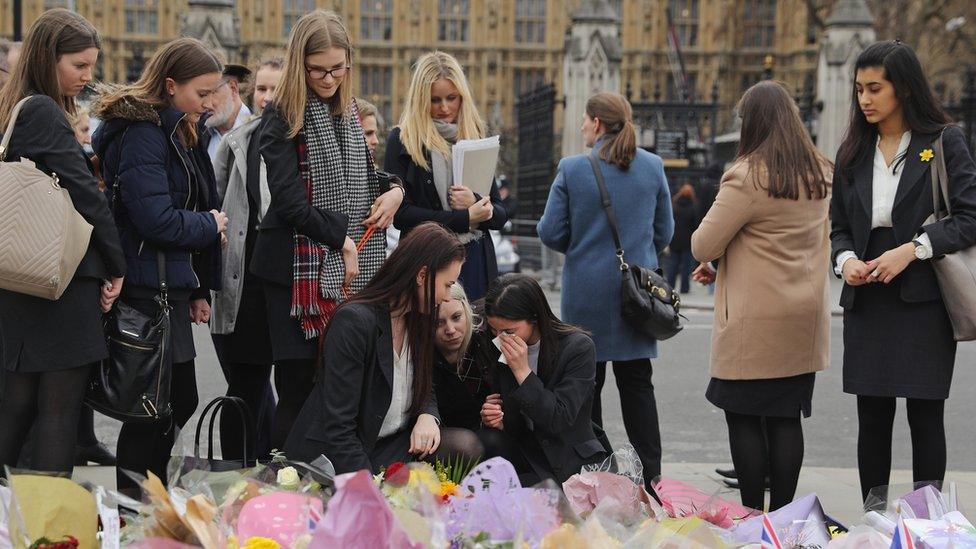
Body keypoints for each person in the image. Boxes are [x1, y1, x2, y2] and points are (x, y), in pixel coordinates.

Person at [829, 41, 976, 502]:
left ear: (904, 89)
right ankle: (874, 516)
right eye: (858, 90)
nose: (865, 99)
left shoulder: (943, 141)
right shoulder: (853, 150)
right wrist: (846, 261)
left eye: (875, 88)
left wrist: (913, 249)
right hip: (867, 298)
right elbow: (837, 228)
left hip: (924, 297)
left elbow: (969, 217)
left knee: (925, 415)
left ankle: (926, 523)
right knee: (872, 416)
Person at [255, 10, 403, 449]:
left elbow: (363, 178)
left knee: (337, 386)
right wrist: (341, 240)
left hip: (343, 266)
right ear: (299, 64)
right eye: (317, 69)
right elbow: (289, 201)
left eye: (338, 68)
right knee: (299, 386)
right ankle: (285, 484)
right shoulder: (281, 115)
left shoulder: (348, 111)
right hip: (293, 270)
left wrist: (394, 190)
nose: (328, 78)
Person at [690, 81, 832, 511]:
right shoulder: (820, 171)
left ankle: (754, 513)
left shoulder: (747, 175)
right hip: (803, 317)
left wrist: (716, 258)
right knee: (787, 418)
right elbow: (776, 239)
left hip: (755, 321)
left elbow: (702, 244)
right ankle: (786, 518)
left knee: (746, 417)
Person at [91, 37, 226, 489]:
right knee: (151, 405)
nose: (209, 104)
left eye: (214, 93)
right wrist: (209, 224)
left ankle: (147, 494)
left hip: (170, 285)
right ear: (170, 85)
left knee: (173, 400)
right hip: (147, 288)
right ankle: (135, 504)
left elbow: (188, 202)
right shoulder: (144, 133)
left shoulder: (180, 130)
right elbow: (155, 219)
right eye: (201, 94)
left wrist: (199, 288)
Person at [0, 9, 125, 474]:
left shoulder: (18, 106)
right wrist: (117, 265)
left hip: (25, 279)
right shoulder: (43, 111)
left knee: (21, 401)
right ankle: (47, 531)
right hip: (59, 284)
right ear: (49, 58)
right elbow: (88, 202)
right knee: (58, 411)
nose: (87, 77)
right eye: (80, 65)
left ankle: (20, 523)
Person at [536, 91, 673, 488]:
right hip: (637, 296)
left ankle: (593, 469)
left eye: (583, 119)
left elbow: (549, 231)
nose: (581, 126)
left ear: (596, 123)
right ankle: (651, 475)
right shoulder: (653, 166)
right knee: (637, 385)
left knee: (585, 384)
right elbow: (665, 231)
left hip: (587, 293)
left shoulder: (574, 168)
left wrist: (583, 248)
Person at [284, 222, 485, 471]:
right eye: (446, 284)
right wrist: (368, 489)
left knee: (467, 446)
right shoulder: (354, 322)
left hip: (392, 443)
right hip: (340, 453)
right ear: (422, 276)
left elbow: (425, 382)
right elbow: (339, 428)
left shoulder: (420, 318)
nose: (447, 296)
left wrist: (427, 415)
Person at [210, 52, 286, 462]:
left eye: (277, 88)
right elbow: (216, 204)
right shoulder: (236, 143)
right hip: (248, 285)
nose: (267, 97)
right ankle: (235, 475)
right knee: (245, 390)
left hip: (292, 284)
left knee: (291, 391)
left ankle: (281, 479)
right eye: (261, 88)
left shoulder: (307, 140)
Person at [384, 51, 508, 301]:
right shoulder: (403, 140)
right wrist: (463, 218)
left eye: (452, 98)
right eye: (435, 100)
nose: (444, 108)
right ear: (421, 100)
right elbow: (401, 216)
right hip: (427, 261)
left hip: (474, 261)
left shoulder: (475, 136)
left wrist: (475, 202)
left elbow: (499, 215)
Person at [478, 273, 609, 485]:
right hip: (526, 453)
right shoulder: (495, 345)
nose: (501, 338)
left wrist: (523, 372)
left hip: (568, 456)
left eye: (509, 331)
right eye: (495, 330)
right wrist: (496, 417)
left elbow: (559, 419)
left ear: (535, 318)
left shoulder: (577, 347)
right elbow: (514, 420)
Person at [432, 283, 492, 432]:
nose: (450, 330)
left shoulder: (486, 336)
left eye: (456, 317)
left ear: (467, 311)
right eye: (438, 323)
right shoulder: (423, 357)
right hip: (448, 437)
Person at [204, 63, 252, 164]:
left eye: (212, 92)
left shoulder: (258, 132)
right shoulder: (197, 134)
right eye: (202, 94)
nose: (206, 103)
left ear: (233, 88)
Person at [666, 183, 699, 294]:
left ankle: (670, 287)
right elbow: (696, 225)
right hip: (687, 242)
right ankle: (684, 288)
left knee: (673, 265)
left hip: (674, 240)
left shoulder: (674, 206)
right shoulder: (693, 207)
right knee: (686, 267)